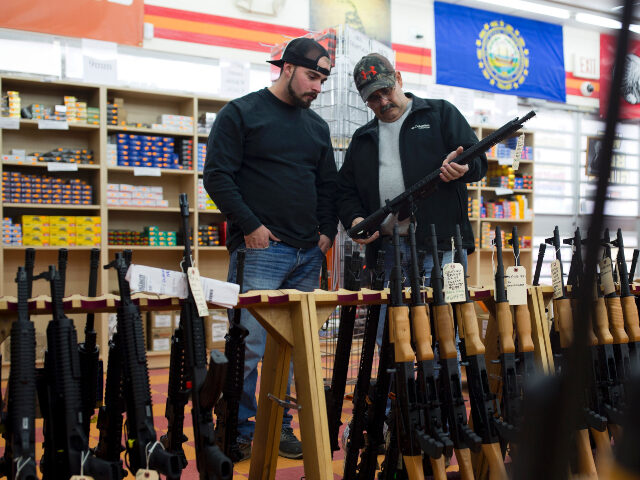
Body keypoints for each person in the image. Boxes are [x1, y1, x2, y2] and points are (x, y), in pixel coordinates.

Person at [203, 37, 338, 461]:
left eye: (323, 80)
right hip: (260, 251)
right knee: (248, 348)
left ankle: (278, 427)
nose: (317, 87)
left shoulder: (316, 127)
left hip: (306, 255)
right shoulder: (242, 113)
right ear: (285, 68)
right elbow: (217, 177)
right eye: (312, 77)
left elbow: (327, 187)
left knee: (295, 353)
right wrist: (251, 226)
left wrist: (326, 233)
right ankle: (235, 431)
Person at [337, 52, 487, 341]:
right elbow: (345, 189)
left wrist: (463, 167)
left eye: (386, 91)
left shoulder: (440, 113)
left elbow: (478, 163)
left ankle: (446, 387)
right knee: (389, 337)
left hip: (441, 247)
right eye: (373, 98)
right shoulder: (363, 137)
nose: (382, 102)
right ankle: (394, 388)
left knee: (444, 335)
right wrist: (355, 219)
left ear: (399, 79)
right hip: (387, 250)